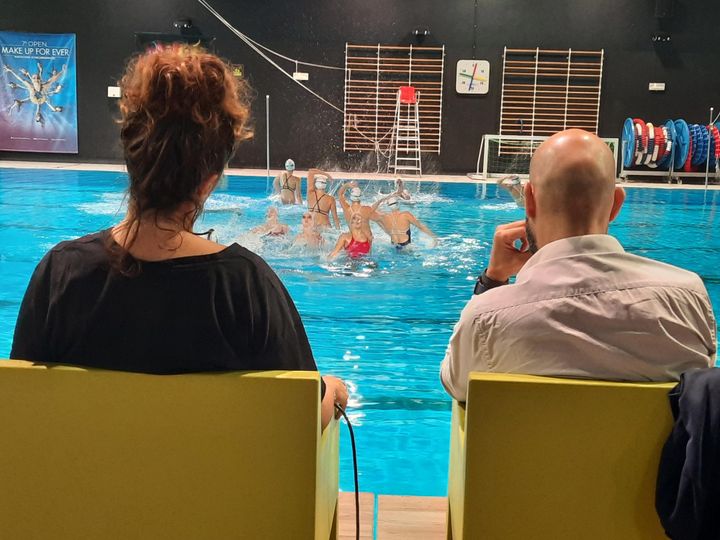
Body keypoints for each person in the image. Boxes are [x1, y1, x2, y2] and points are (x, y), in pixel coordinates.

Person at [10, 45, 347, 428]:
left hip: (90, 485)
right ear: (209, 182)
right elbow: (299, 417)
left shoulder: (61, 275)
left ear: (130, 157)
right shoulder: (245, 287)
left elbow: (24, 407)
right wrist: (331, 392)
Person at [440, 129, 716, 402]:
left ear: (530, 200)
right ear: (616, 204)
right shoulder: (688, 298)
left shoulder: (486, 318)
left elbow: (456, 384)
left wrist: (493, 281)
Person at [373, 195, 437, 249]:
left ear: (388, 206)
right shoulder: (406, 215)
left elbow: (372, 209)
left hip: (393, 246)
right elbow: (420, 226)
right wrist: (434, 237)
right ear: (398, 204)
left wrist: (381, 200)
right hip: (406, 247)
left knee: (380, 224)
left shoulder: (385, 216)